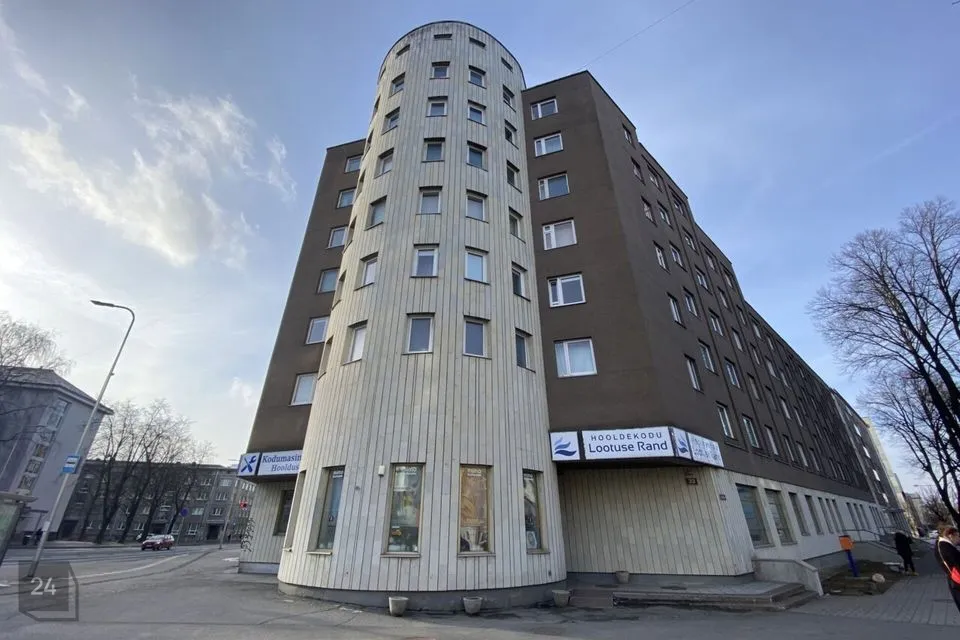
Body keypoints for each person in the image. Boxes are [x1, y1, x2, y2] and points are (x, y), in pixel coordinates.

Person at [934, 526, 960, 613]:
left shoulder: (940, 544)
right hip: (957, 581)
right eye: (958, 536)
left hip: (954, 580)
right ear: (950, 536)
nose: (959, 539)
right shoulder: (946, 548)